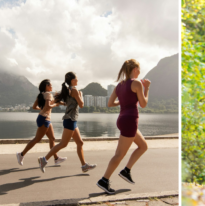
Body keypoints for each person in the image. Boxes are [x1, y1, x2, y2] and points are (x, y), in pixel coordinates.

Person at [96, 59, 150, 194]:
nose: (140, 71)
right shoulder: (137, 83)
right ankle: (104, 180)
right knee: (119, 154)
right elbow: (143, 104)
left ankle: (126, 171)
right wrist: (147, 88)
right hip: (130, 120)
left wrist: (123, 102)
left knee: (143, 146)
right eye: (139, 68)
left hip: (122, 119)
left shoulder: (119, 86)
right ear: (134, 69)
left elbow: (110, 103)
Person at [38, 72, 96, 173]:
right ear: (72, 80)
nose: (77, 80)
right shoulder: (74, 90)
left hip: (72, 120)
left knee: (80, 142)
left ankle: (84, 166)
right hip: (70, 120)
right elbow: (81, 104)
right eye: (76, 79)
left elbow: (68, 103)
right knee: (63, 144)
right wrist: (81, 94)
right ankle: (44, 160)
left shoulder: (69, 89)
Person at [16, 79, 67, 166]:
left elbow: (34, 107)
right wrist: (54, 105)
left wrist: (63, 104)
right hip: (44, 119)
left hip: (43, 118)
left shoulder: (41, 95)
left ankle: (56, 158)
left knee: (52, 139)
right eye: (50, 85)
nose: (52, 86)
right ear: (46, 86)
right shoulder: (48, 94)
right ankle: (21, 154)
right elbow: (48, 106)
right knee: (37, 139)